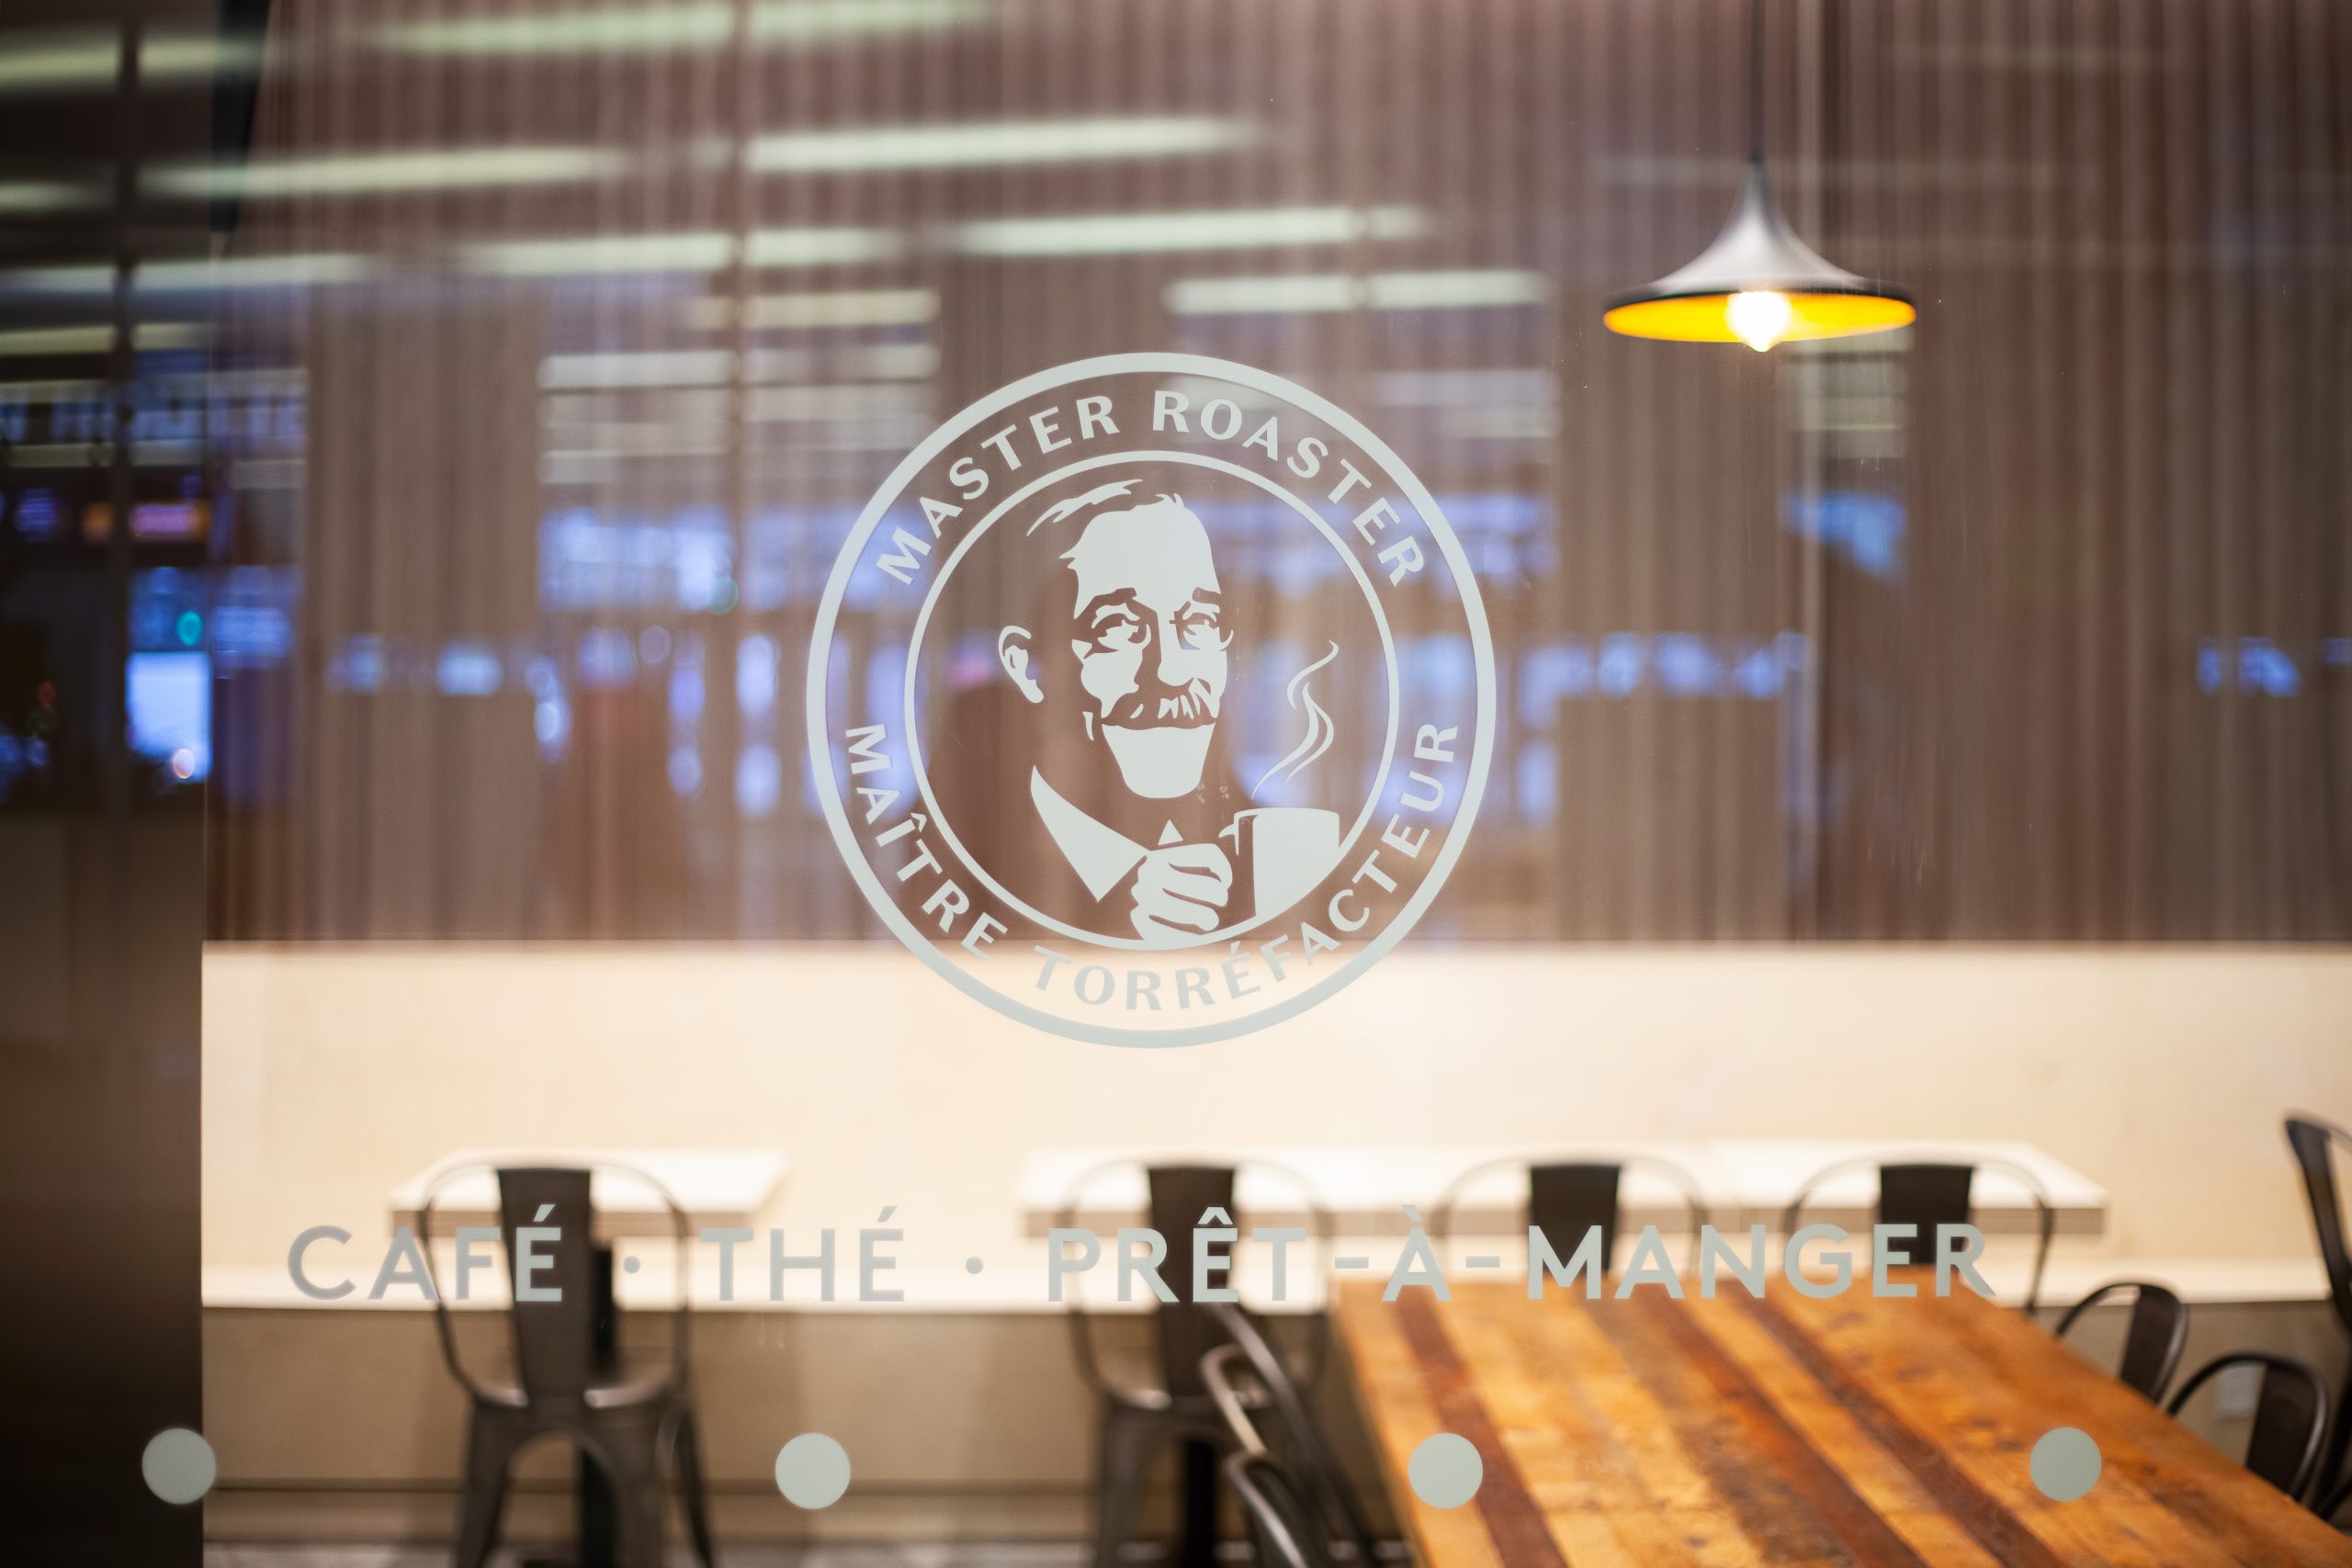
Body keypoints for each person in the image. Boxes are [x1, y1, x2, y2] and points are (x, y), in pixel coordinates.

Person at [991, 477, 1339, 946]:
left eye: (1198, 622)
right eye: (1117, 627)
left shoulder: (1257, 854)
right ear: (1028, 669)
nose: (1172, 671)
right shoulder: (977, 848)